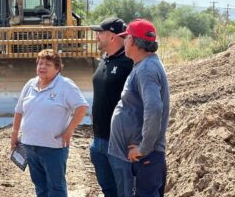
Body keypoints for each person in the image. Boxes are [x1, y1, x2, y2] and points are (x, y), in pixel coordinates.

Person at [10, 49, 88, 197]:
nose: (42, 67)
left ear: (57, 68)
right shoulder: (30, 84)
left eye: (47, 64)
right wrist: (14, 133)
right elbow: (19, 110)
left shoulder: (65, 85)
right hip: (30, 145)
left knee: (56, 187)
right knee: (40, 186)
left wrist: (69, 131)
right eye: (40, 63)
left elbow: (82, 107)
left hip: (53, 148)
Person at [108, 19, 170, 197]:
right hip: (142, 159)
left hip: (144, 160)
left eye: (126, 37)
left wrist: (144, 148)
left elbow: (154, 109)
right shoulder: (145, 65)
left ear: (134, 41)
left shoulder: (147, 69)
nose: (124, 41)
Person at [90, 17, 133, 196]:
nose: (96, 36)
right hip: (99, 140)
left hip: (119, 143)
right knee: (108, 190)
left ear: (113, 36)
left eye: (100, 33)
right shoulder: (104, 60)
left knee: (125, 192)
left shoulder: (129, 63)